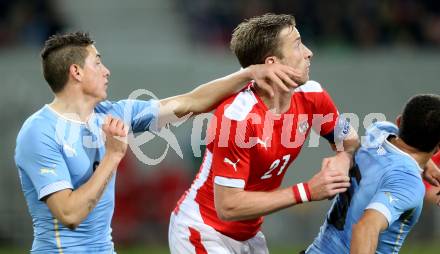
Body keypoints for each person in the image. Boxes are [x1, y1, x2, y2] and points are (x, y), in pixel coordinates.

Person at [14, 31, 300, 253]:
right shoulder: (39, 132)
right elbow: (69, 214)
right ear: (76, 72)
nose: (106, 71)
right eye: (98, 63)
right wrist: (113, 156)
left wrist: (249, 73)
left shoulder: (111, 113)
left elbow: (190, 102)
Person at [168, 13, 361, 254]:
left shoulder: (312, 95)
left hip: (249, 236)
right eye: (298, 44)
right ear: (272, 63)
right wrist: (307, 191)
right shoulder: (237, 118)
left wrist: (341, 162)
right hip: (203, 231)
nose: (309, 52)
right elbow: (227, 206)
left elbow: (350, 141)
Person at [305, 94, 440, 254]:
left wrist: (426, 165)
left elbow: (402, 142)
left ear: (399, 121)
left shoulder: (379, 131)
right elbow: (365, 228)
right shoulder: (408, 183)